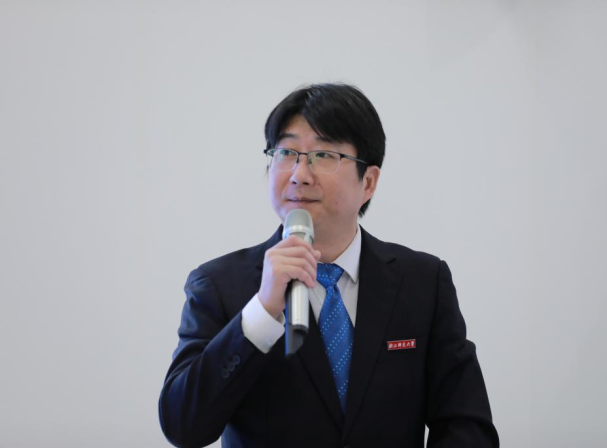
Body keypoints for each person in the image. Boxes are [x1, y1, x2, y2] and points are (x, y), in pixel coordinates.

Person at [159, 83, 499, 447]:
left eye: (323, 155)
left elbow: (467, 425)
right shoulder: (218, 285)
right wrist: (262, 312)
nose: (299, 174)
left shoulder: (423, 282)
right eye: (286, 152)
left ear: (368, 182)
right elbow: (183, 427)